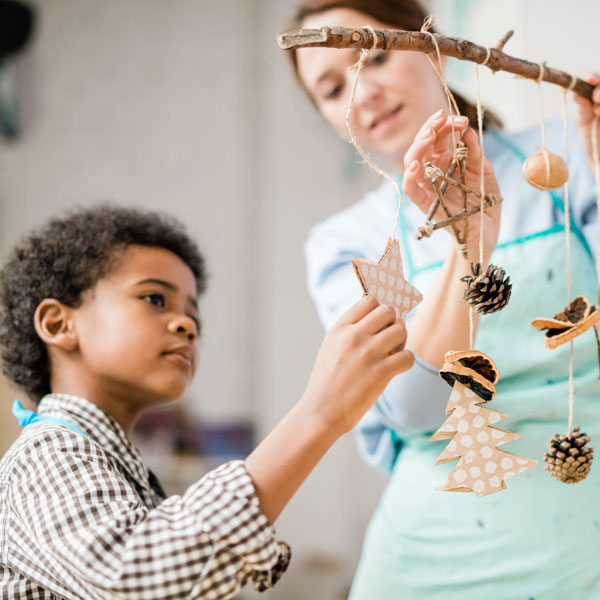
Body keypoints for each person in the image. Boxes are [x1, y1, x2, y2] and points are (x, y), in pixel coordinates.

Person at [286, 0, 600, 598]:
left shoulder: (560, 161)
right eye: (331, 88)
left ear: (433, 48)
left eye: (374, 56)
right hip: (433, 556)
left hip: (583, 535)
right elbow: (413, 410)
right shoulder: (350, 242)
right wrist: (467, 248)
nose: (362, 92)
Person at [0, 204, 413, 599]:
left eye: (193, 316)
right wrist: (318, 414)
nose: (186, 326)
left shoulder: (113, 465)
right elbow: (140, 583)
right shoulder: (46, 453)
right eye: (154, 299)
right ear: (59, 324)